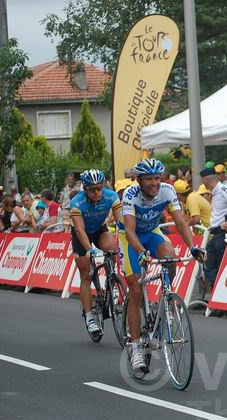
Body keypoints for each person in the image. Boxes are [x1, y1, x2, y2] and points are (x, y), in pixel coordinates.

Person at [120, 159, 204, 371]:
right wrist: (141, 252)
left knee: (170, 255)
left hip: (151, 233)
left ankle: (164, 298)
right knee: (136, 289)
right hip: (130, 239)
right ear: (139, 180)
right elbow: (130, 230)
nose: (154, 183)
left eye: (157, 178)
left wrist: (193, 247)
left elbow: (179, 221)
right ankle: (136, 346)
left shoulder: (167, 191)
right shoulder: (130, 194)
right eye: (149, 179)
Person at [70, 170, 123, 335]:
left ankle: (112, 281)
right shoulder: (77, 201)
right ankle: (89, 317)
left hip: (100, 229)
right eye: (92, 189)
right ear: (85, 189)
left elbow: (120, 222)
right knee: (85, 274)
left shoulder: (111, 196)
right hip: (82, 234)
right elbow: (79, 230)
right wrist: (90, 250)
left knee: (112, 249)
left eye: (99, 188)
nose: (96, 192)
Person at [202, 166, 227, 291]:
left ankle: (222, 298)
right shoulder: (216, 192)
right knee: (208, 264)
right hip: (215, 234)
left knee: (221, 267)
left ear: (206, 181)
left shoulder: (224, 190)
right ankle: (216, 296)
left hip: (223, 233)